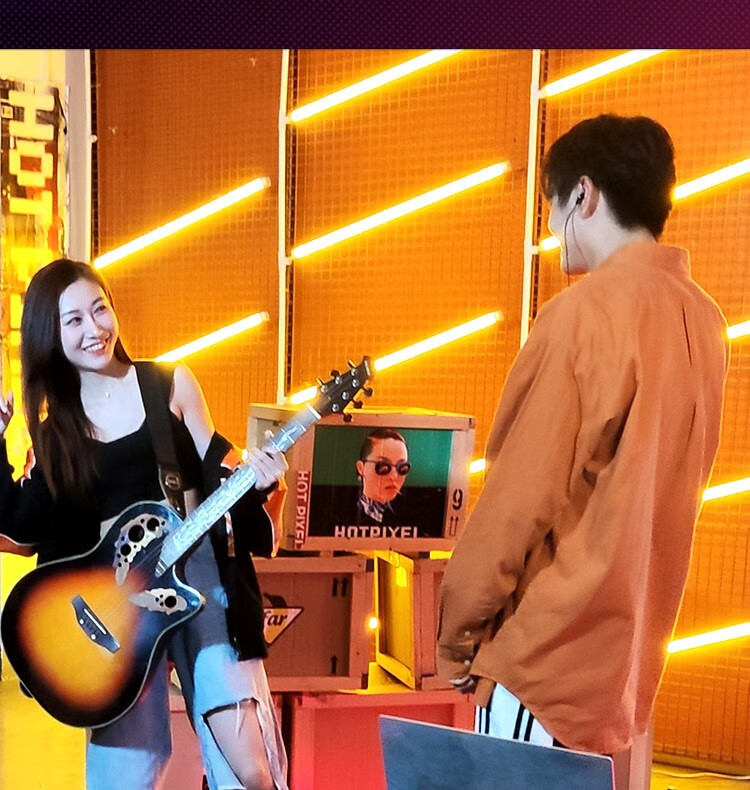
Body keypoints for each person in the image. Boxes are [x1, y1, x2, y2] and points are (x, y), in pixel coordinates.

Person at [437, 115, 729, 757]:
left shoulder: (581, 316)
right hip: (624, 673)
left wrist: (457, 636)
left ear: (583, 194)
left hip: (541, 665)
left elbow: (516, 502)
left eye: (550, 204)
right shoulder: (706, 323)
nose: (549, 228)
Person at [0, 258, 289, 790]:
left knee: (252, 770)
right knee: (125, 778)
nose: (94, 329)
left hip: (197, 576)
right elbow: (21, 529)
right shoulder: (54, 432)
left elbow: (220, 469)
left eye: (100, 309)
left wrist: (263, 483)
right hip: (116, 613)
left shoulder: (168, 384)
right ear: (50, 335)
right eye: (74, 320)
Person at [355, 428, 411, 524]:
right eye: (383, 468)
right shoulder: (344, 513)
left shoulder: (406, 516)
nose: (394, 476)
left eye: (402, 468)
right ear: (361, 468)